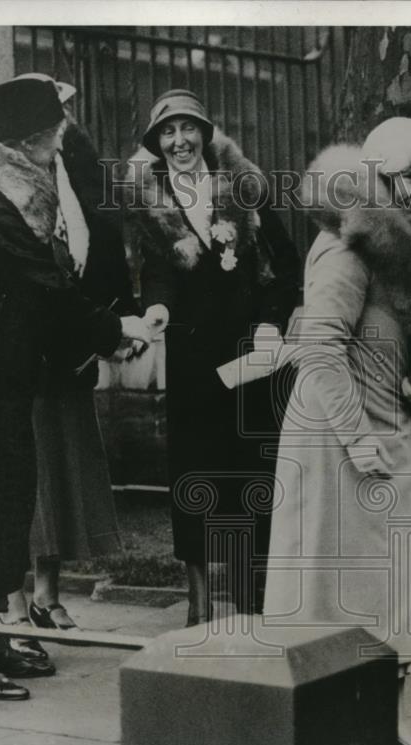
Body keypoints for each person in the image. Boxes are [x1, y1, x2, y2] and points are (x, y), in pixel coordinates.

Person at [0, 76, 151, 700]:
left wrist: (102, 330)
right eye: (56, 130)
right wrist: (113, 328)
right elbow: (47, 289)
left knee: (5, 510)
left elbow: (42, 300)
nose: (63, 137)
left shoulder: (8, 193)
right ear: (29, 140)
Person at [263, 118, 411, 745]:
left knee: (405, 578)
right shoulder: (347, 247)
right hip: (336, 435)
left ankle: (393, 721)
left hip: (391, 425)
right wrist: (356, 439)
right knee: (338, 585)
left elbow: (392, 335)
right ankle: (331, 727)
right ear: (380, 174)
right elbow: (319, 351)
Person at [126, 89, 300, 624]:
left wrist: (271, 323)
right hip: (194, 360)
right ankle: (199, 605)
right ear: (157, 143)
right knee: (195, 474)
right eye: (167, 133)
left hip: (253, 354)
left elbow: (284, 263)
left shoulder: (243, 185)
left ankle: (254, 600)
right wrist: (155, 307)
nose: (179, 141)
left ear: (206, 132)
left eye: (188, 129)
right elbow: (155, 271)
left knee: (252, 473)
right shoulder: (148, 200)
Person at [0, 77, 142, 657]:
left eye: (68, 112)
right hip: (19, 358)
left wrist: (119, 318)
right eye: (57, 114)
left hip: (66, 355)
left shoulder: (75, 173)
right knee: (21, 481)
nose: (65, 124)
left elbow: (100, 248)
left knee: (57, 471)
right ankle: (9, 604)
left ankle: (48, 596)